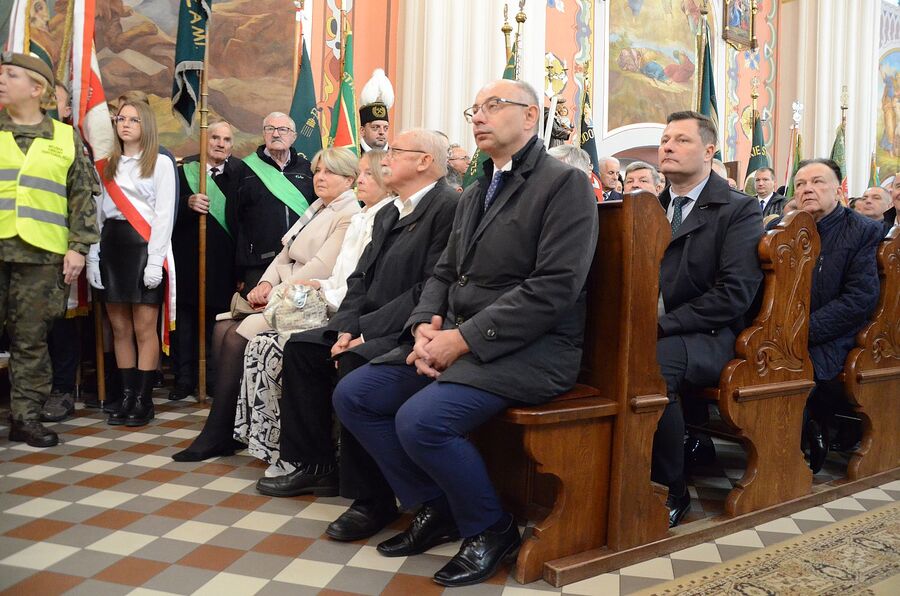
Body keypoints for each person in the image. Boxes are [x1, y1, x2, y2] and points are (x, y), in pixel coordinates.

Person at [330, 79, 598, 587]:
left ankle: (492, 527)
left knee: (420, 421)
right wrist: (426, 326)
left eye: (494, 106)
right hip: (461, 341)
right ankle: (438, 505)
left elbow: (554, 287)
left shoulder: (563, 185)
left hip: (534, 348)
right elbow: (443, 273)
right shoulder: (475, 191)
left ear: (531, 117)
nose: (479, 116)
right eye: (475, 107)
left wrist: (464, 338)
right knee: (357, 394)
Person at [253, 129, 457, 510]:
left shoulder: (446, 207)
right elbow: (359, 278)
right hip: (366, 322)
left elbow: (428, 288)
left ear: (424, 161)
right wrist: (345, 327)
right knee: (304, 347)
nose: (385, 160)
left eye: (395, 152)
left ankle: (370, 497)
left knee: (351, 362)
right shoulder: (392, 210)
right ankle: (315, 464)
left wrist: (364, 333)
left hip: (405, 328)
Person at [172, 147, 360, 462]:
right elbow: (283, 253)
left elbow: (320, 267)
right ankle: (229, 426)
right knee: (221, 327)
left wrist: (273, 294)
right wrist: (263, 284)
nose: (319, 178)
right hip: (284, 292)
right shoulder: (317, 206)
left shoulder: (348, 213)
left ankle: (218, 431)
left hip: (309, 299)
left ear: (349, 179)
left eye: (329, 172)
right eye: (317, 171)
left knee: (236, 335)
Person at [234, 149, 394, 473]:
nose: (319, 177)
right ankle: (278, 446)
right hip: (327, 299)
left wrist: (299, 292)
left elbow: (350, 280)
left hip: (346, 311)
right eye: (317, 171)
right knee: (263, 344)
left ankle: (306, 458)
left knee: (278, 343)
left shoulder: (368, 216)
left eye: (365, 175)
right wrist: (271, 286)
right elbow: (293, 259)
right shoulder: (343, 212)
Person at [655, 111, 764, 527]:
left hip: (712, 334)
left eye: (681, 140)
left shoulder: (736, 209)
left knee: (654, 365)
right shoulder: (650, 206)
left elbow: (733, 294)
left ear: (709, 150)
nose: (668, 146)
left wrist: (664, 324)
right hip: (655, 327)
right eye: (665, 139)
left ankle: (670, 488)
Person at [0, 52, 99, 447]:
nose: (2, 80)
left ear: (37, 88)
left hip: (42, 256)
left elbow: (82, 198)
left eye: (11, 75)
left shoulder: (64, 136)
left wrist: (78, 247)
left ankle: (25, 418)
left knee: (30, 340)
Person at [84, 96, 176, 427]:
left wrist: (155, 261)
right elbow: (96, 215)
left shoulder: (160, 163)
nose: (125, 124)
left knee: (143, 327)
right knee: (119, 327)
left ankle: (143, 399)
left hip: (143, 248)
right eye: (121, 119)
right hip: (112, 247)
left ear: (146, 125)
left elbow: (164, 216)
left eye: (134, 120)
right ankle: (125, 396)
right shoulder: (106, 165)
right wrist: (93, 255)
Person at [791, 159, 881, 473]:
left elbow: (860, 299)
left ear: (839, 189)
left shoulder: (862, 229)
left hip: (837, 332)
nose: (807, 189)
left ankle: (803, 436)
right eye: (800, 184)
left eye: (817, 182)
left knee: (794, 366)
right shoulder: (788, 228)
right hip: (790, 328)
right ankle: (790, 439)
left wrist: (803, 331)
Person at [169, 120, 243, 401]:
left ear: (231, 146)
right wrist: (186, 203)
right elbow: (164, 209)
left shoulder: (240, 174)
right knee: (185, 324)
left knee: (217, 324)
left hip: (223, 264)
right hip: (188, 260)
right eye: (214, 138)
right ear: (204, 140)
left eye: (226, 139)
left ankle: (213, 377)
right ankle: (184, 378)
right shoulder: (184, 171)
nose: (220, 143)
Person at [232, 112, 316, 291]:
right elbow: (234, 219)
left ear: (293, 136)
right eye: (270, 129)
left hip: (299, 261)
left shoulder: (308, 169)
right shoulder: (244, 169)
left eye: (283, 129)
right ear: (263, 134)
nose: (276, 134)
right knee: (258, 315)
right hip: (258, 264)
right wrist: (238, 270)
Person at [358, 69, 393, 153]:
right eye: (375, 127)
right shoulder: (351, 158)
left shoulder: (396, 159)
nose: (381, 132)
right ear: (362, 131)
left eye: (385, 128)